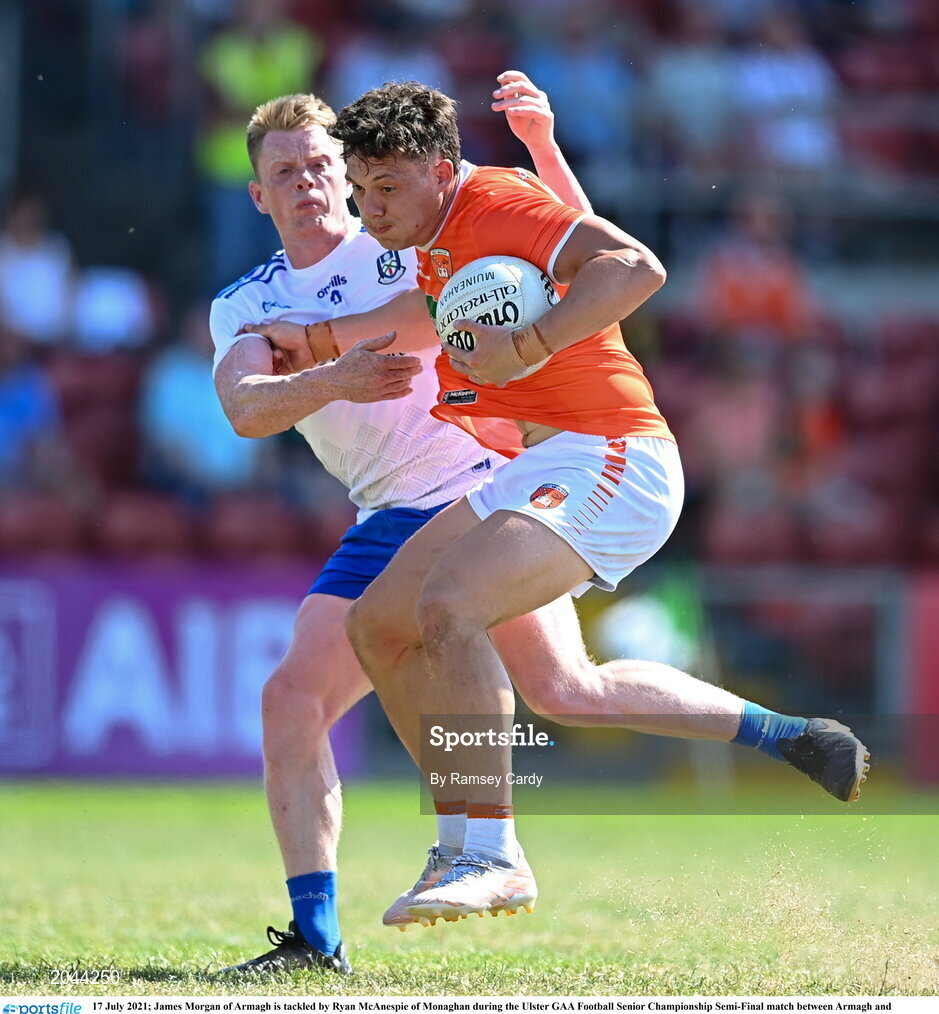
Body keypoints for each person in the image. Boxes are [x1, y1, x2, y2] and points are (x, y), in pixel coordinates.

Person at [213, 73, 868, 976]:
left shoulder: (438, 215)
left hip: (544, 462)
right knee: (519, 673)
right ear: (257, 193)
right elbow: (275, 391)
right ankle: (784, 736)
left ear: (419, 169)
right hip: (467, 486)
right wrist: (326, 359)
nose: (326, 189)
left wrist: (528, 313)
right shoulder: (340, 263)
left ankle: (477, 853)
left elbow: (602, 255)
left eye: (330, 168)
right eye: (292, 172)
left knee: (429, 624)